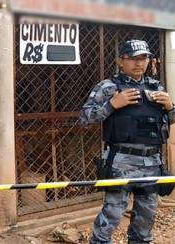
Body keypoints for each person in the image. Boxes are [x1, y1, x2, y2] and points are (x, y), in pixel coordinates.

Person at [80, 39, 175, 244]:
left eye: (143, 58)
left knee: (145, 219)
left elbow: (171, 119)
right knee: (112, 215)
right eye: (133, 58)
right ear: (120, 61)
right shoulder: (108, 86)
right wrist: (112, 104)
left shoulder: (155, 86)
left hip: (152, 164)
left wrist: (170, 107)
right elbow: (85, 117)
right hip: (121, 161)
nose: (139, 63)